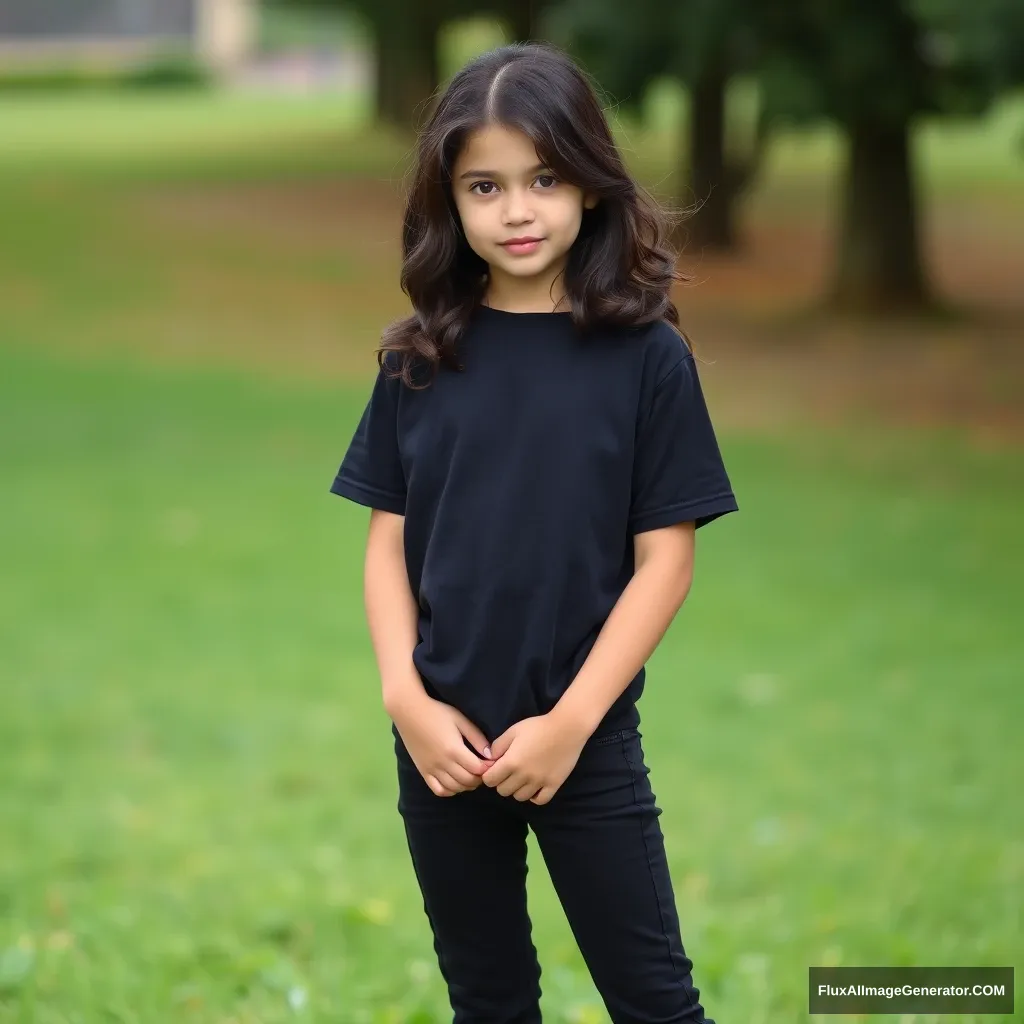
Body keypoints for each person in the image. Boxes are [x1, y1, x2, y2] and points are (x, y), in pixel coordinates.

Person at [330, 40, 738, 1024]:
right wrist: (405, 698)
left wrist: (570, 724)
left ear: (591, 186)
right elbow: (388, 537)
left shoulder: (646, 358)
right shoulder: (420, 356)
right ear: (449, 200)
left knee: (655, 1002)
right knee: (489, 1000)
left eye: (544, 178)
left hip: (581, 739)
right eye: (485, 186)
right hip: (440, 743)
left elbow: (665, 559)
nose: (517, 210)